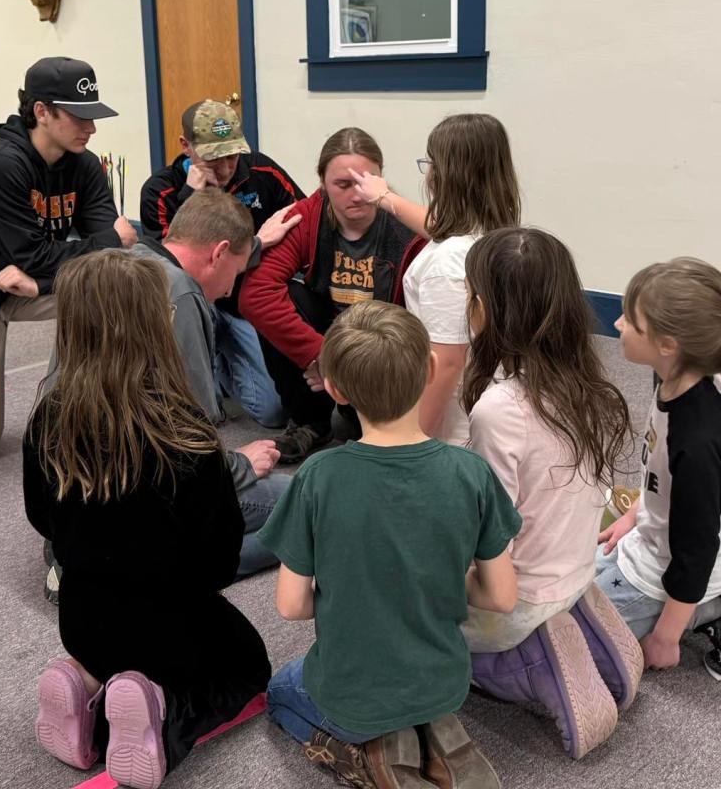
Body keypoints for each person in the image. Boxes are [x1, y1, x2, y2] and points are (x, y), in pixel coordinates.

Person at [24, 250, 270, 789]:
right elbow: (219, 555)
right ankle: (160, 711)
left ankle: (84, 678)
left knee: (111, 644)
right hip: (170, 624)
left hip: (82, 618)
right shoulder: (184, 429)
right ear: (154, 325)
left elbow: (41, 517)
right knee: (248, 667)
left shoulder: (48, 417)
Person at [257, 301, 521, 789]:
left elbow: (291, 606)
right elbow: (502, 597)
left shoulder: (318, 476)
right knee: (407, 690)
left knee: (280, 692)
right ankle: (427, 729)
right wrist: (437, 577)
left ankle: (366, 755)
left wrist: (351, 586)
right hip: (444, 683)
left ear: (334, 389)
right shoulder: (471, 472)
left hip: (352, 693)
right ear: (430, 369)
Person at [460, 228, 643, 759]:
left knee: (403, 595)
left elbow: (491, 537)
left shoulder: (498, 411)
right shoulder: (590, 386)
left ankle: (528, 660)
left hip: (515, 601)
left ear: (485, 307)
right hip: (576, 571)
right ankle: (575, 623)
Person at [0, 57, 137, 462]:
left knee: (116, 286)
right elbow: (42, 254)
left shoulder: (84, 165)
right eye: (79, 117)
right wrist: (109, 239)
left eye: (93, 117)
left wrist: (41, 283)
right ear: (41, 111)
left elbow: (110, 257)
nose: (91, 128)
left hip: (24, 286)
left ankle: (88, 406)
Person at [131, 188, 294, 579]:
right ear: (219, 252)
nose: (230, 290)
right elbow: (190, 445)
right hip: (146, 489)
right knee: (302, 501)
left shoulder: (120, 263)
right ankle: (156, 568)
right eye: (235, 274)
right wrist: (239, 465)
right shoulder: (182, 295)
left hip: (82, 484)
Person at [239, 127, 425, 461]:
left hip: (380, 348)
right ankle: (310, 422)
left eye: (366, 182)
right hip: (326, 344)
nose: (357, 195)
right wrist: (321, 355)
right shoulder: (306, 217)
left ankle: (369, 415)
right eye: (343, 184)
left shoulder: (405, 228)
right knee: (288, 297)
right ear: (323, 183)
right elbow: (256, 294)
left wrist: (351, 369)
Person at [349, 113, 521, 444]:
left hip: (453, 425)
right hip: (490, 400)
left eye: (430, 163)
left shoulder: (447, 263)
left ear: (443, 174)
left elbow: (448, 364)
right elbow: (442, 225)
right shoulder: (498, 236)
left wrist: (412, 443)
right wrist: (384, 197)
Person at [140, 99, 305, 427]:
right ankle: (214, 357)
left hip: (246, 301)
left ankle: (224, 361)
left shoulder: (263, 171)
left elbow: (302, 221)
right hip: (193, 304)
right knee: (198, 412)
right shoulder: (160, 190)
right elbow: (171, 269)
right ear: (186, 146)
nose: (226, 168)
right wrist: (192, 198)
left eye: (232, 155)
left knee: (273, 413)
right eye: (213, 159)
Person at [596, 257, 721, 676]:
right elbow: (661, 478)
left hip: (675, 571)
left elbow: (697, 551)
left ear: (668, 345)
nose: (617, 325)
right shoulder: (669, 375)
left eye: (631, 321)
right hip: (655, 540)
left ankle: (706, 609)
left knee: (566, 643)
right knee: (561, 588)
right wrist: (635, 513)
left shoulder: (697, 441)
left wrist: (666, 638)